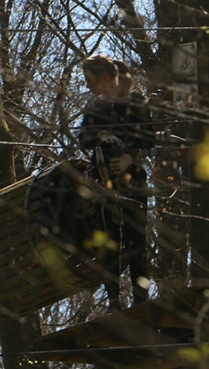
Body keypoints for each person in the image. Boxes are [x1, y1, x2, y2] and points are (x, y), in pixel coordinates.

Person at [77, 54, 155, 308]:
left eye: (91, 79)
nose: (88, 86)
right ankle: (113, 299)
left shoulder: (136, 103)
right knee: (109, 239)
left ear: (105, 77)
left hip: (133, 179)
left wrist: (130, 158)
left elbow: (149, 140)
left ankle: (140, 298)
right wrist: (101, 135)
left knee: (136, 239)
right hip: (103, 179)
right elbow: (83, 139)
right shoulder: (94, 108)